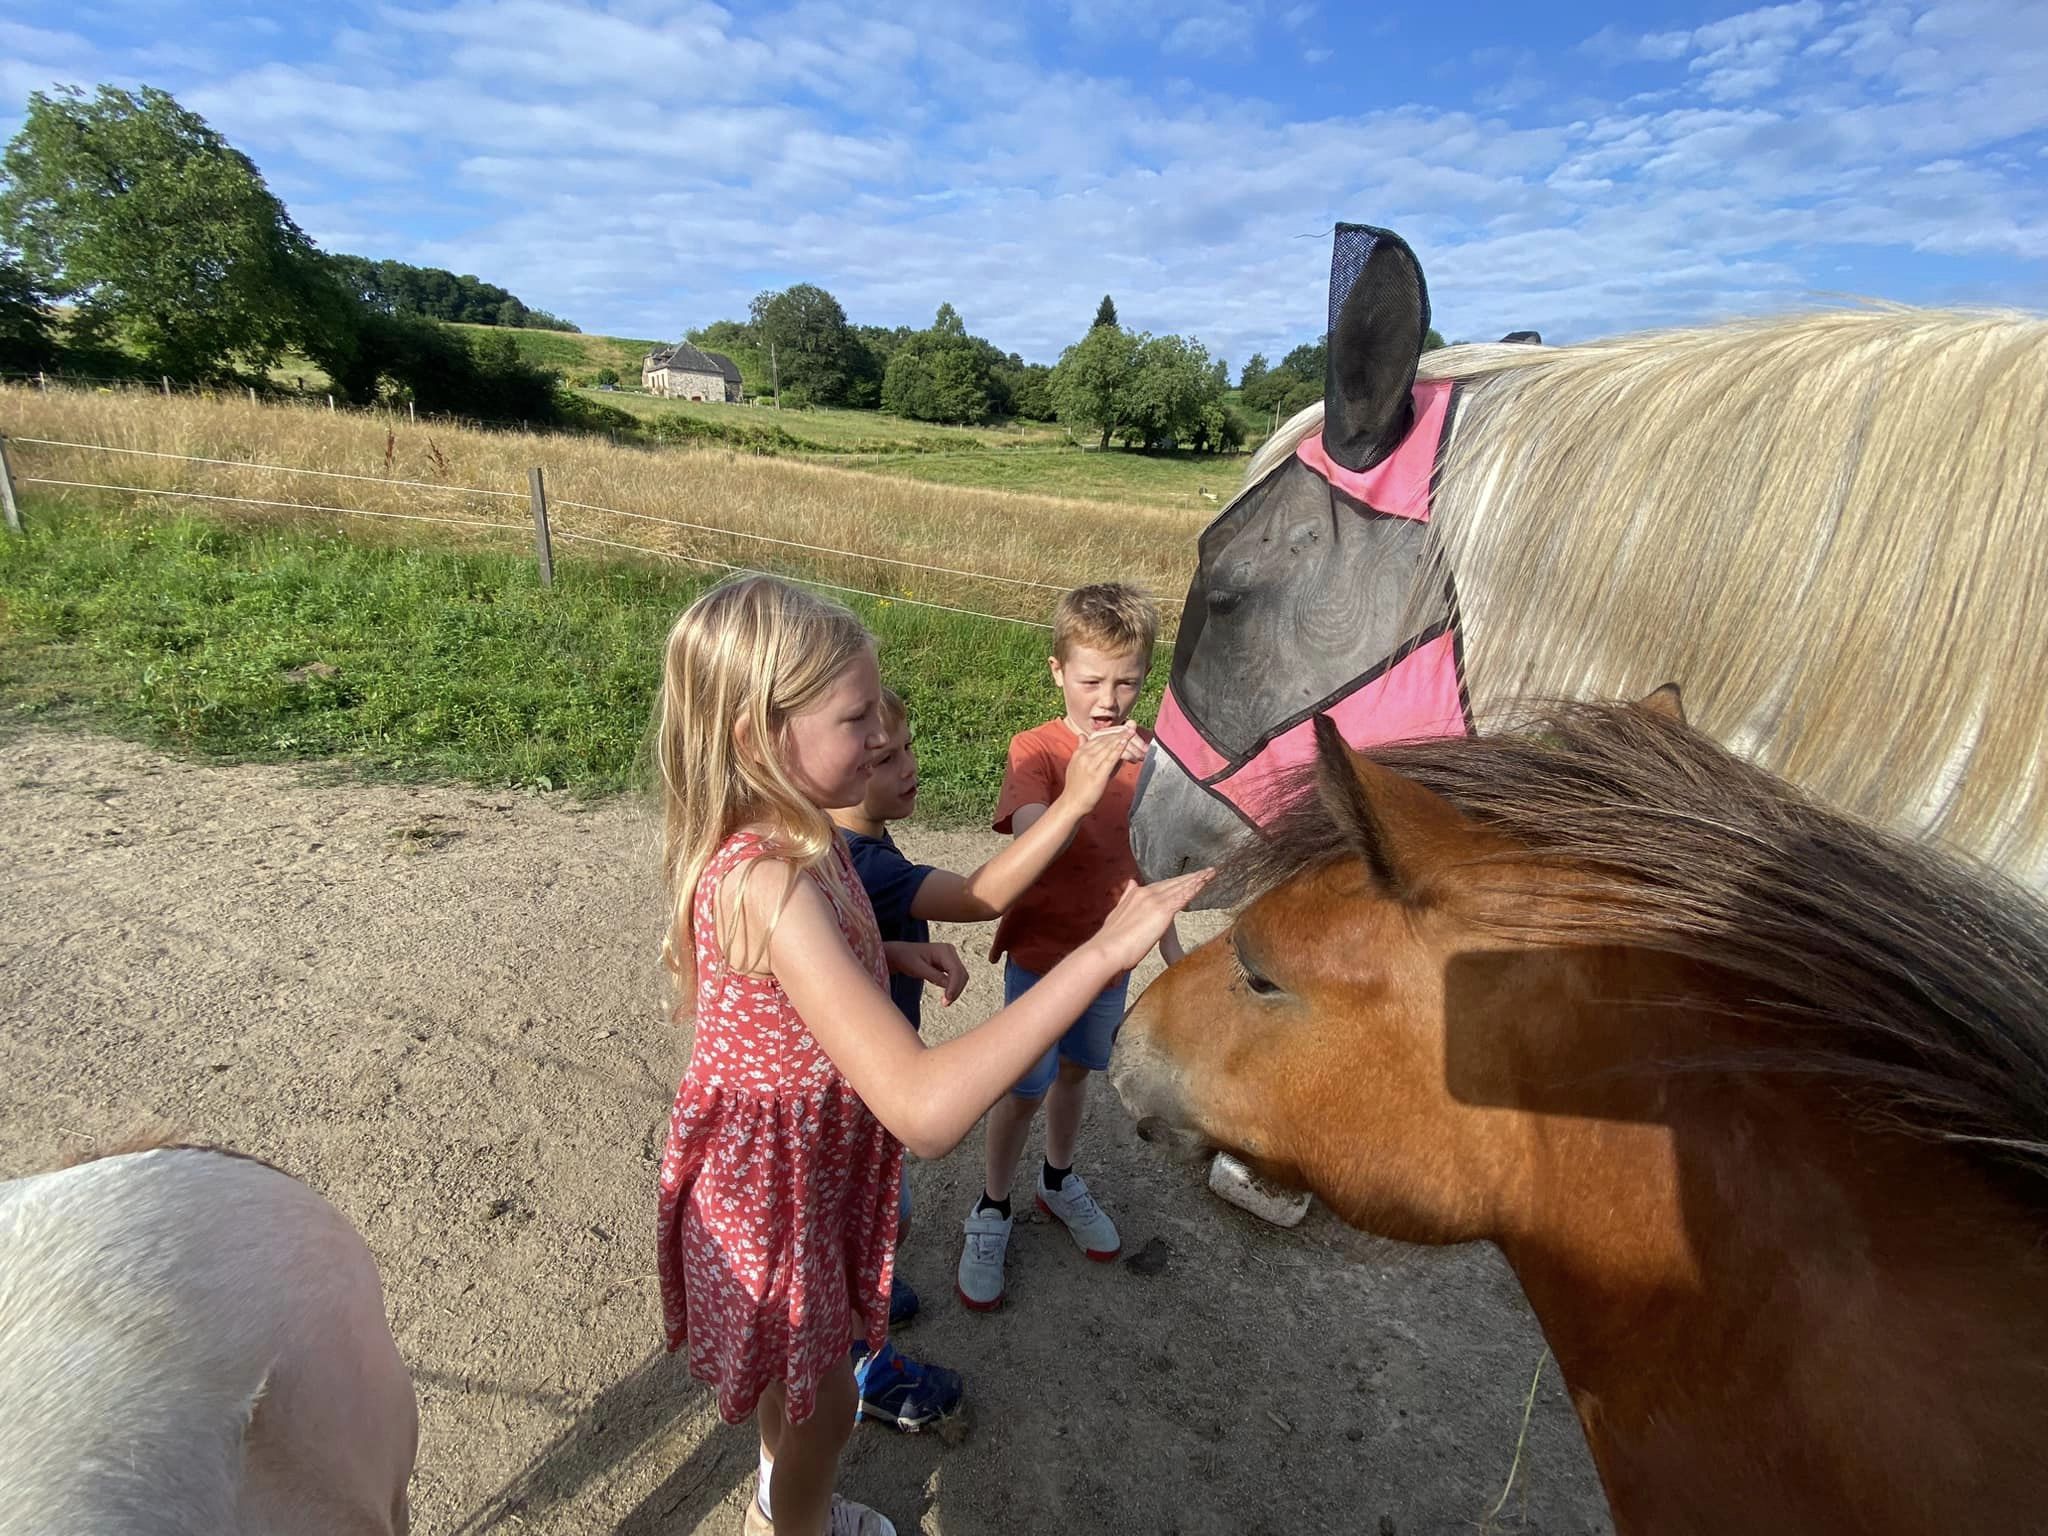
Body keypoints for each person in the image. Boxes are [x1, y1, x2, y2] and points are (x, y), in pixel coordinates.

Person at [652, 575, 1209, 1536]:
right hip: (779, 1185)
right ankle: (792, 1527)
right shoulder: (772, 879)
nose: (881, 737)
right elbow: (923, 1107)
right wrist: (1110, 952)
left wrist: (885, 949)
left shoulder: (804, 836)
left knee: (811, 1383)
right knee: (824, 1400)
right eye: (857, 716)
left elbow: (805, 967)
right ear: (756, 739)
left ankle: (778, 1508)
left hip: (802, 1165)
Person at [827, 687, 1138, 1427]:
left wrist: (894, 951)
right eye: (887, 758)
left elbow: (839, 941)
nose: (911, 768)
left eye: (907, 749)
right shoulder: (870, 861)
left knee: (873, 1218)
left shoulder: (835, 846)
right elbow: (980, 895)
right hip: (863, 1084)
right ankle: (856, 1362)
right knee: (878, 1215)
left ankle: (856, 1292)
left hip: (859, 1068)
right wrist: (1073, 802)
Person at [958, 583, 1180, 1313]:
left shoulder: (1150, 762)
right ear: (1058, 671)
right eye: (1091, 679)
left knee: (1077, 1075)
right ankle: (992, 1206)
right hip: (1041, 958)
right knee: (1022, 1089)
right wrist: (1084, 786)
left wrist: (1177, 957)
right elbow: (1027, 837)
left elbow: (1147, 870)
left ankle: (1055, 1183)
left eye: (1128, 679)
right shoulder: (1040, 752)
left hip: (1109, 963)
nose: (1109, 698)